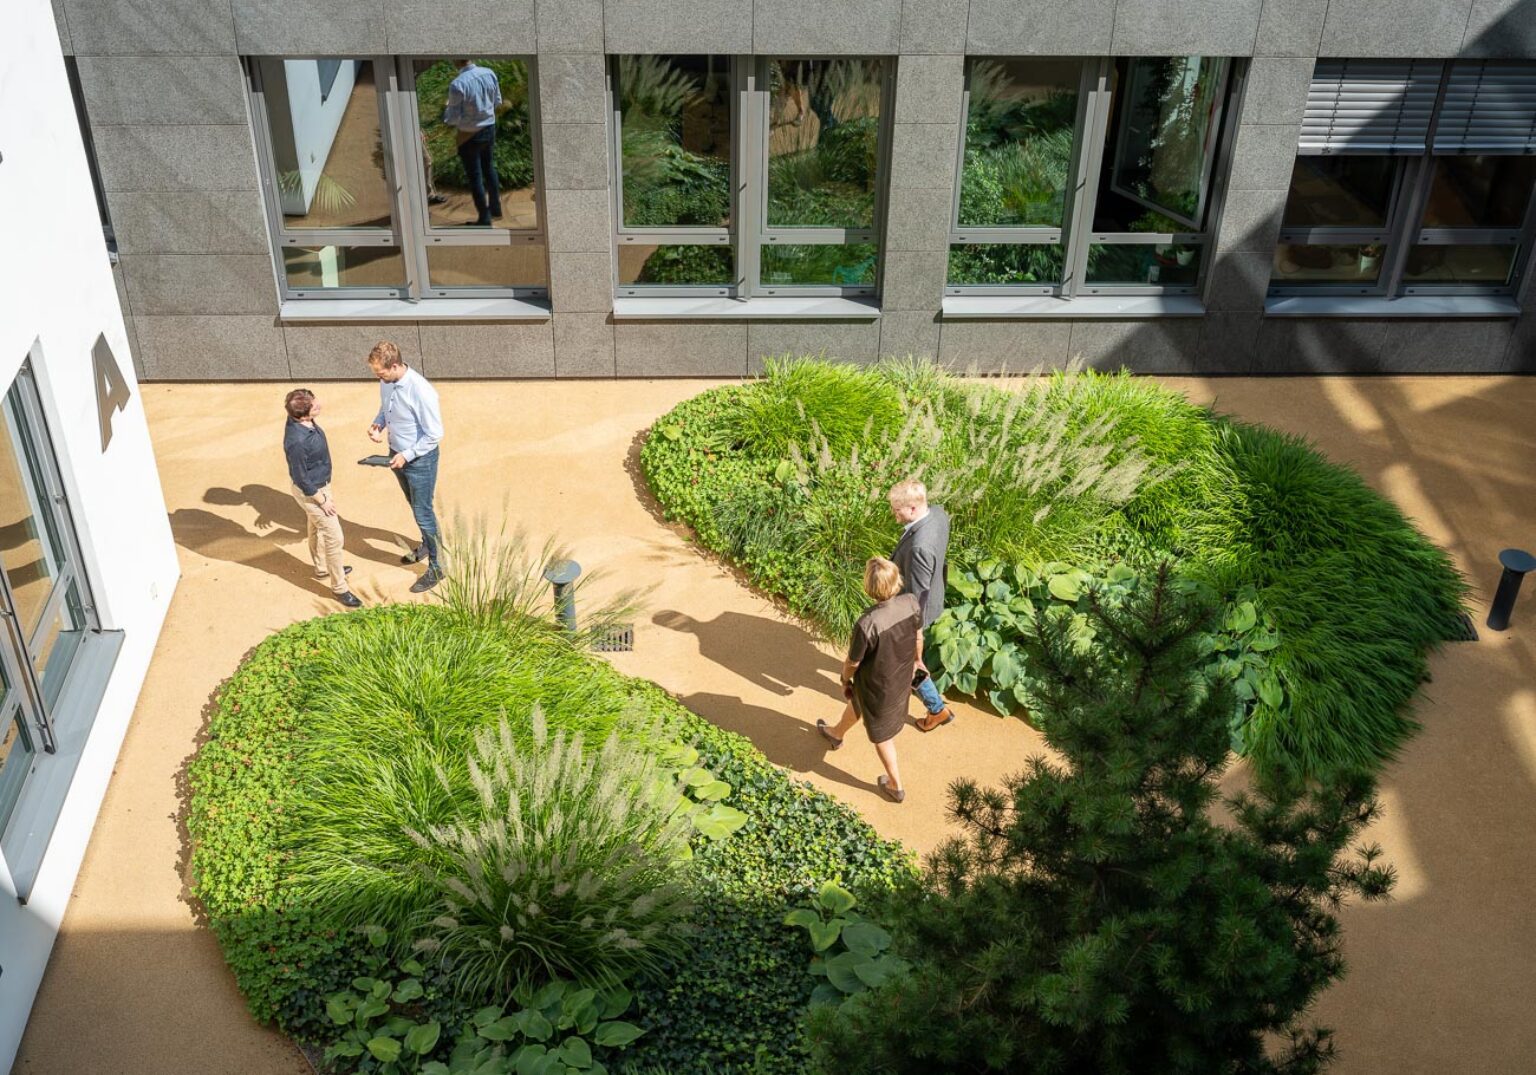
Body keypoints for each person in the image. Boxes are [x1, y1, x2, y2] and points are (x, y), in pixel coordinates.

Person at [816, 558, 921, 804]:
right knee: (859, 704)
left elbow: (853, 661)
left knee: (882, 735)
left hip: (877, 686)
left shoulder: (867, 624)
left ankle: (895, 785)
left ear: (869, 587)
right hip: (901, 676)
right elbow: (918, 635)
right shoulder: (911, 603)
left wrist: (844, 678)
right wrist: (918, 660)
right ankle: (835, 733)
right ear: (898, 580)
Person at [366, 341, 444, 593]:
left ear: (395, 365)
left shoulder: (421, 390)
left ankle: (437, 566)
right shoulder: (387, 382)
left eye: (381, 373)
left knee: (423, 511)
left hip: (419, 460)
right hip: (396, 454)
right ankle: (426, 544)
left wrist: (407, 455)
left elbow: (434, 434)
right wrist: (379, 423)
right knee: (414, 504)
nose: (378, 377)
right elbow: (386, 407)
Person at [888, 479, 956, 732]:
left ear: (914, 508)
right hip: (934, 595)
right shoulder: (937, 513)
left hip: (913, 612)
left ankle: (937, 709)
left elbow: (916, 599)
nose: (895, 516)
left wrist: (914, 636)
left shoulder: (919, 548)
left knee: (911, 664)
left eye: (898, 511)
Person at [282, 388, 361, 608]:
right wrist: (322, 500)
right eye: (315, 405)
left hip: (321, 485)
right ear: (304, 415)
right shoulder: (297, 442)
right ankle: (340, 587)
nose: (320, 405)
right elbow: (300, 477)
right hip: (313, 492)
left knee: (315, 527)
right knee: (334, 537)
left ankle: (322, 568)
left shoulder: (304, 423)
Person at [443, 59, 503, 226]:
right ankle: (496, 209)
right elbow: (497, 101)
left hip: (469, 135)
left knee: (475, 176)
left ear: (455, 61)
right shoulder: (489, 72)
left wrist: (446, 109)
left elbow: (452, 119)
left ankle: (484, 218)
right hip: (489, 128)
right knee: (489, 168)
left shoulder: (457, 84)